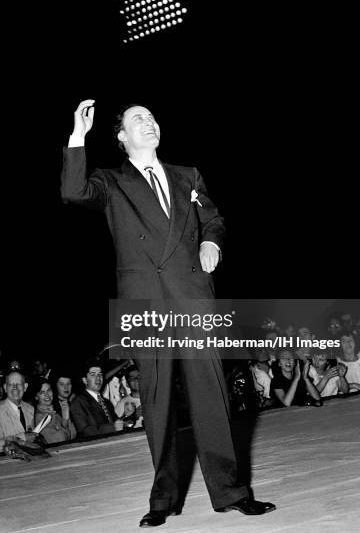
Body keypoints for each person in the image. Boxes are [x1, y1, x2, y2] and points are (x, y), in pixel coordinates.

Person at [61, 99, 275, 526]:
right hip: (145, 305)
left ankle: (233, 492)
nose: (150, 122)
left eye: (153, 116)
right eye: (138, 118)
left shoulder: (187, 175)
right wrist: (77, 136)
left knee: (211, 397)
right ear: (121, 137)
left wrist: (211, 241)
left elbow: (212, 219)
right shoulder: (110, 181)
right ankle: (163, 500)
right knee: (157, 404)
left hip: (192, 297)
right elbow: (72, 192)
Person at [0, 371, 35, 454]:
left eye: (18, 384)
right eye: (11, 384)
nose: (15, 388)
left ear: (25, 387)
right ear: (5, 388)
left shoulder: (30, 409)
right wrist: (22, 437)